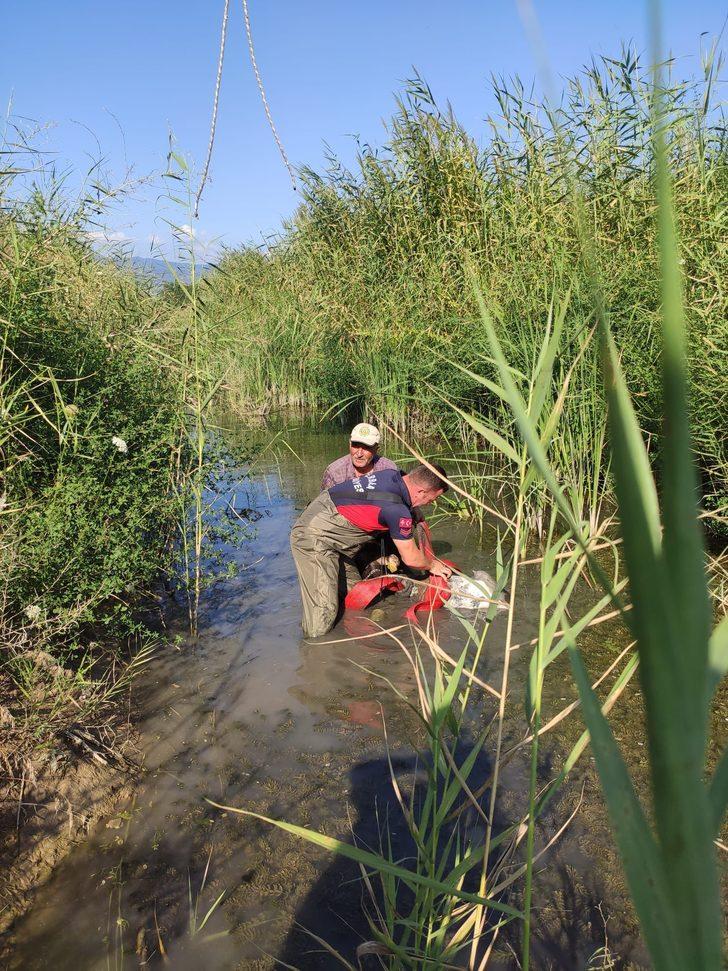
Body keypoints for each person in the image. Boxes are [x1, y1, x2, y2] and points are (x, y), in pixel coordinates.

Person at [291, 464, 451, 638]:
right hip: (314, 537)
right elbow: (412, 558)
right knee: (323, 615)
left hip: (327, 521)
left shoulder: (393, 475)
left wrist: (414, 510)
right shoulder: (397, 510)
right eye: (431, 500)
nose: (429, 504)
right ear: (421, 492)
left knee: (356, 596)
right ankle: (316, 654)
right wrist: (432, 564)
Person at [321, 422, 398, 490]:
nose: (359, 454)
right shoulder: (335, 472)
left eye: (366, 447)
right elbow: (324, 503)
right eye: (356, 446)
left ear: (376, 449)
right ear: (350, 445)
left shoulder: (389, 469)